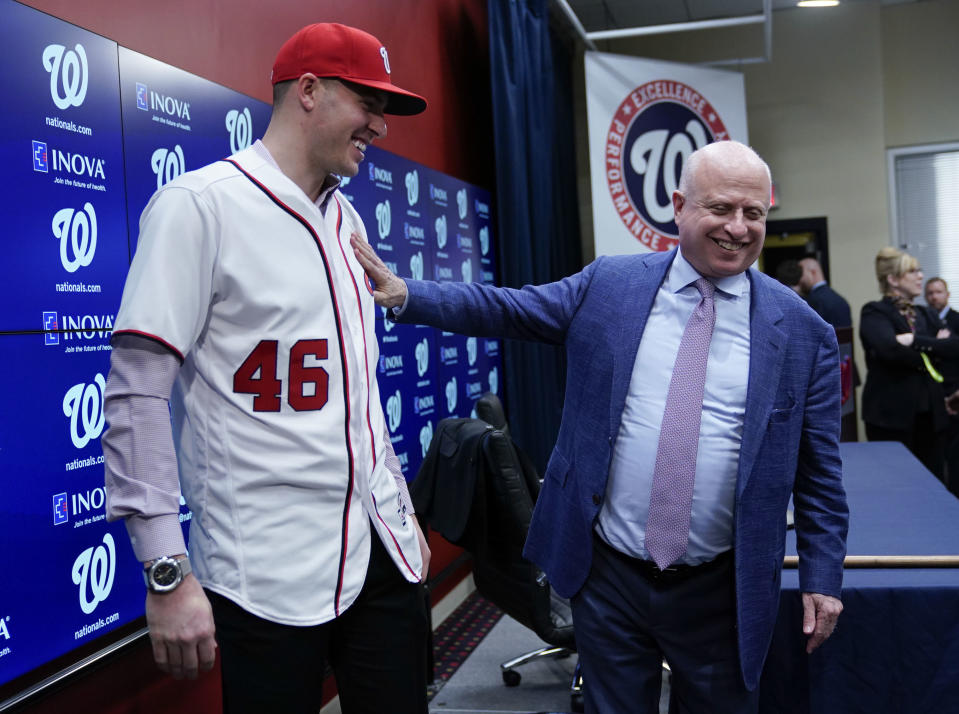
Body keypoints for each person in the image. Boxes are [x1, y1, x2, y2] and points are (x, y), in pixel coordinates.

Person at [352, 140, 849, 713]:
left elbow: (820, 476)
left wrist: (822, 576)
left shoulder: (804, 333)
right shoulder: (612, 285)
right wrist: (410, 295)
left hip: (724, 587)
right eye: (720, 209)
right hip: (608, 574)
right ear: (679, 206)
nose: (738, 228)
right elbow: (510, 308)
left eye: (754, 213)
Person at [102, 23, 430, 714]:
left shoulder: (349, 223)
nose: (379, 124)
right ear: (307, 91)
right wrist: (166, 571)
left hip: (381, 554)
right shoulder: (199, 207)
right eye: (367, 101)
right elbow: (136, 395)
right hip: (265, 571)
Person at [859, 249, 958, 481]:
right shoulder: (874, 311)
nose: (920, 276)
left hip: (932, 416)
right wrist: (935, 348)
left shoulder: (925, 313)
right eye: (912, 271)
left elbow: (954, 347)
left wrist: (914, 341)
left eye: (919, 270)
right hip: (891, 416)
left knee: (933, 484)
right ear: (893, 279)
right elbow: (888, 349)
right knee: (897, 485)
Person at [925, 277, 959, 494]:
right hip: (931, 393)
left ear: (947, 294)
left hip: (954, 389)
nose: (934, 297)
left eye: (938, 292)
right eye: (930, 293)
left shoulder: (957, 320)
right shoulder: (922, 321)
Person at [798, 257, 853, 328]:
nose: (799, 280)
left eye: (800, 274)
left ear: (812, 272)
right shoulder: (840, 300)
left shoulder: (813, 301)